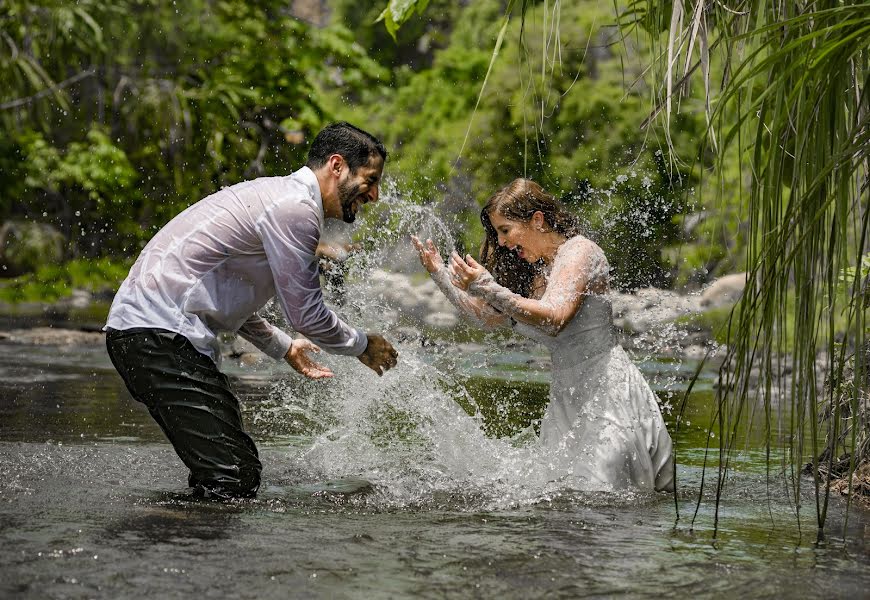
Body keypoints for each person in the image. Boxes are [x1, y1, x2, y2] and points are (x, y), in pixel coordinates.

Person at [105, 122, 399, 499]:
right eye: (370, 180)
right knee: (232, 476)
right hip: (157, 336)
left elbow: (226, 293)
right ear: (337, 165)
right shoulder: (295, 209)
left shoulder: (277, 197)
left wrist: (283, 346)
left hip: (148, 335)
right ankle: (164, 542)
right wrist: (362, 344)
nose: (374, 195)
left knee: (230, 472)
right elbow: (307, 315)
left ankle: (177, 536)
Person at [411, 178, 674, 492]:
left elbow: (555, 318)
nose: (502, 241)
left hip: (609, 396)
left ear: (537, 219)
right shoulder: (535, 273)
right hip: (566, 402)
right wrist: (439, 273)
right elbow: (484, 318)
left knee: (605, 504)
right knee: (563, 507)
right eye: (497, 233)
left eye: (505, 230)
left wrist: (487, 286)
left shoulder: (580, 252)